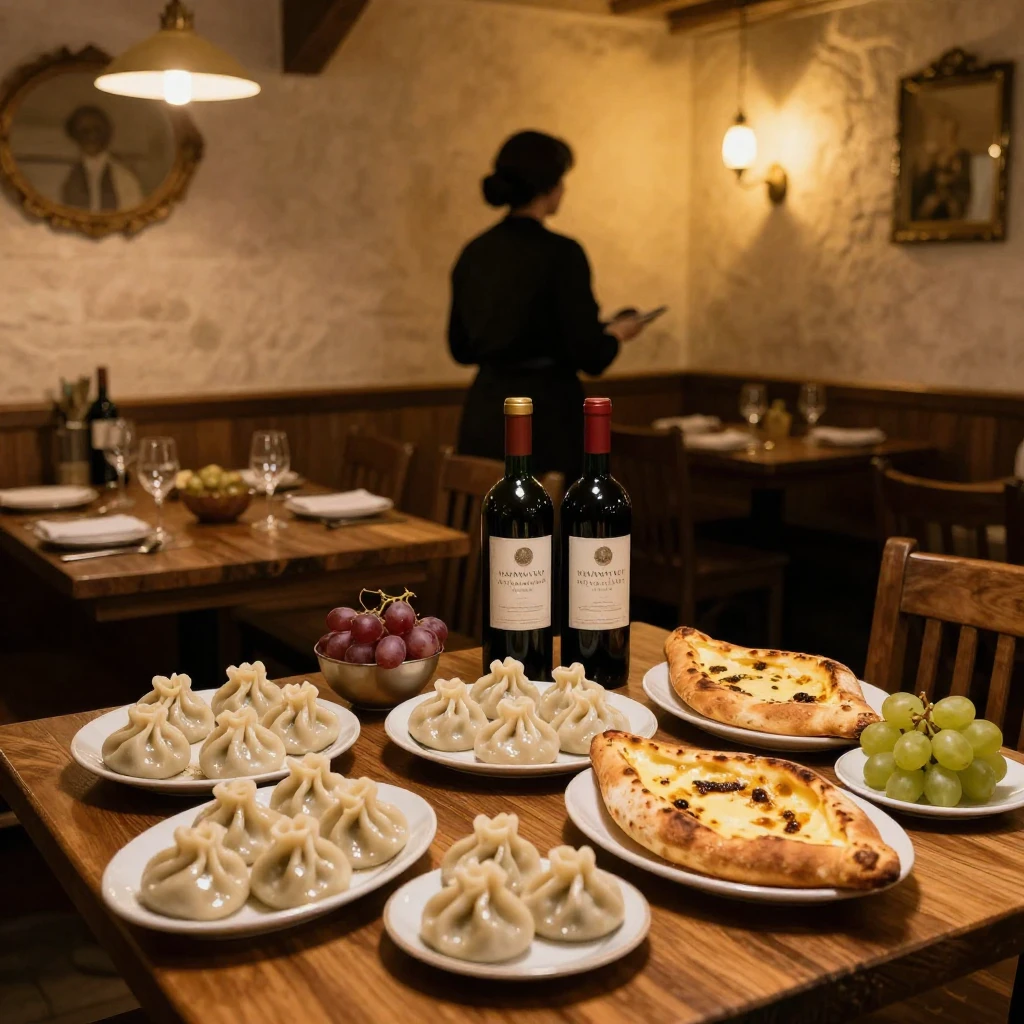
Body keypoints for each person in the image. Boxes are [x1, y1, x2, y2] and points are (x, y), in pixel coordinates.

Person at [447, 130, 649, 480]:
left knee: (488, 530)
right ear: (551, 185)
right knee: (546, 530)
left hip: (486, 415)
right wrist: (616, 333)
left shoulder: (475, 252)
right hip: (546, 421)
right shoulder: (562, 254)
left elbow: (461, 348)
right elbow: (590, 354)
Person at [61, 105, 144, 213]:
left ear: (107, 133)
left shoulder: (125, 177)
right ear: (74, 135)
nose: (92, 136)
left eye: (97, 129)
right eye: (85, 131)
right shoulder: (65, 178)